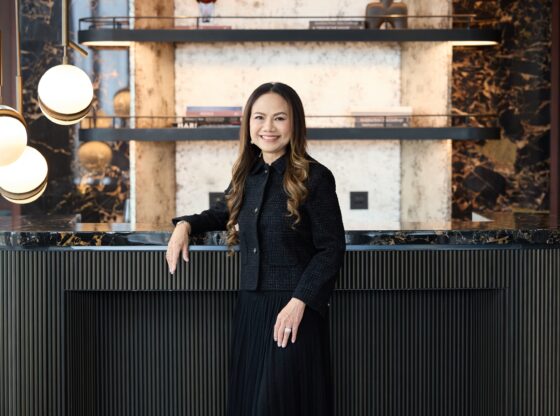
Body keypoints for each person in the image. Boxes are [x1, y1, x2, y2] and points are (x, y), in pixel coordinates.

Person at [166, 82, 346, 416]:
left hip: (294, 311)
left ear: (295, 124)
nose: (268, 127)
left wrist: (299, 302)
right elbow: (220, 213)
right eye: (259, 117)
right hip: (251, 308)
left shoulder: (316, 177)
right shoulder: (247, 174)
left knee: (276, 405)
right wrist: (185, 225)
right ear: (248, 124)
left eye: (280, 118)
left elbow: (331, 249)